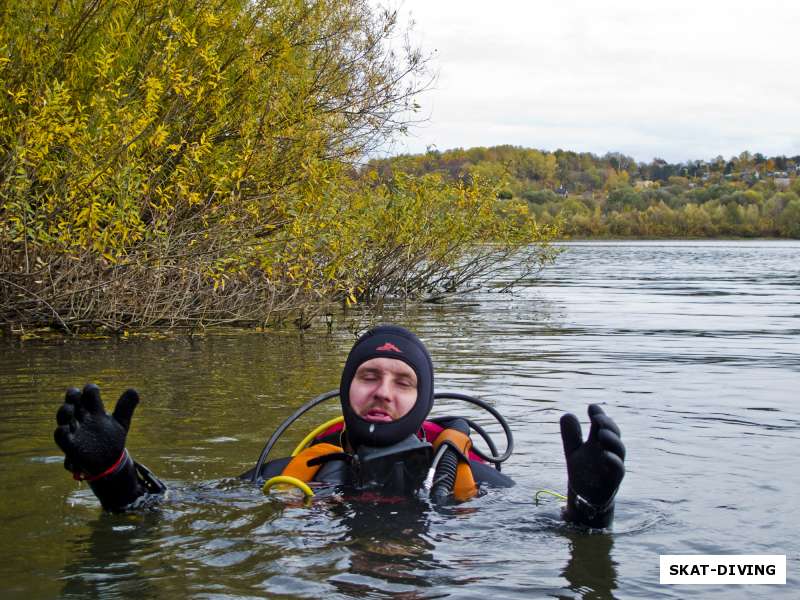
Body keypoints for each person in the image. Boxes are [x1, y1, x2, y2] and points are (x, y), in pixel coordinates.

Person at [54, 325, 625, 527]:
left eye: (403, 382)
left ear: (425, 398)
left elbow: (553, 534)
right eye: (369, 375)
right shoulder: (288, 473)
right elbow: (160, 515)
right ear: (347, 387)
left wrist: (591, 507)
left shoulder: (474, 481)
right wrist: (113, 474)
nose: (383, 391)